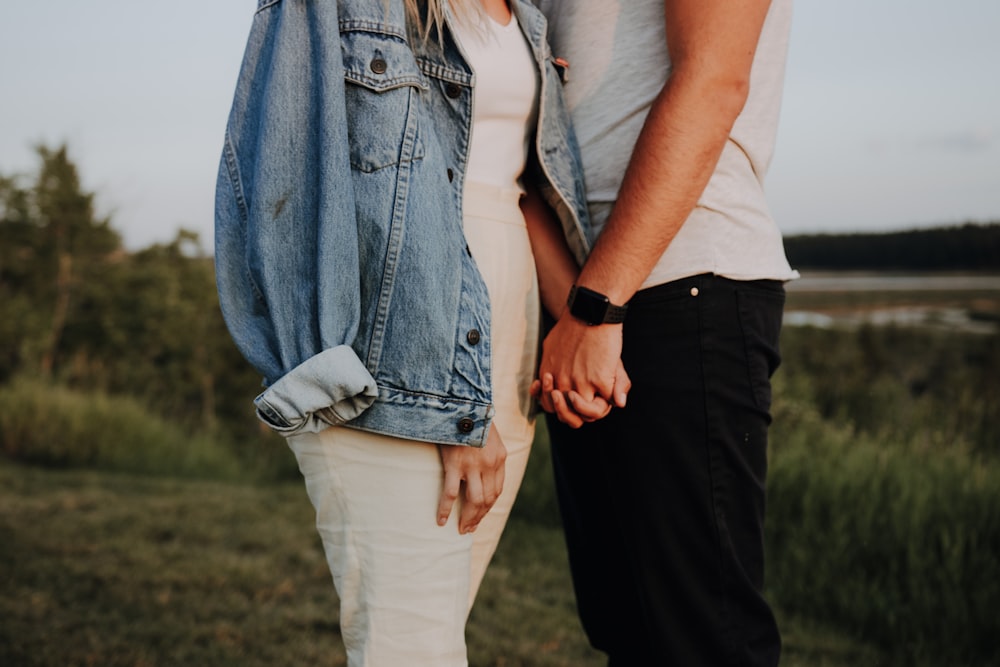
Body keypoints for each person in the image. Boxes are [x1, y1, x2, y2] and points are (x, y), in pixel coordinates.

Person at [214, 1, 590, 665]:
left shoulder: (527, 12)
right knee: (411, 646)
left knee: (431, 630)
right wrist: (446, 397)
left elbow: (518, 185)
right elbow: (284, 180)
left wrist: (594, 322)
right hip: (403, 342)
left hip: (507, 338)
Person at [532, 0, 799, 664]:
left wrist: (598, 305)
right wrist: (574, 308)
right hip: (584, 302)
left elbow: (714, 79)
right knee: (627, 631)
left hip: (680, 281)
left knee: (702, 640)